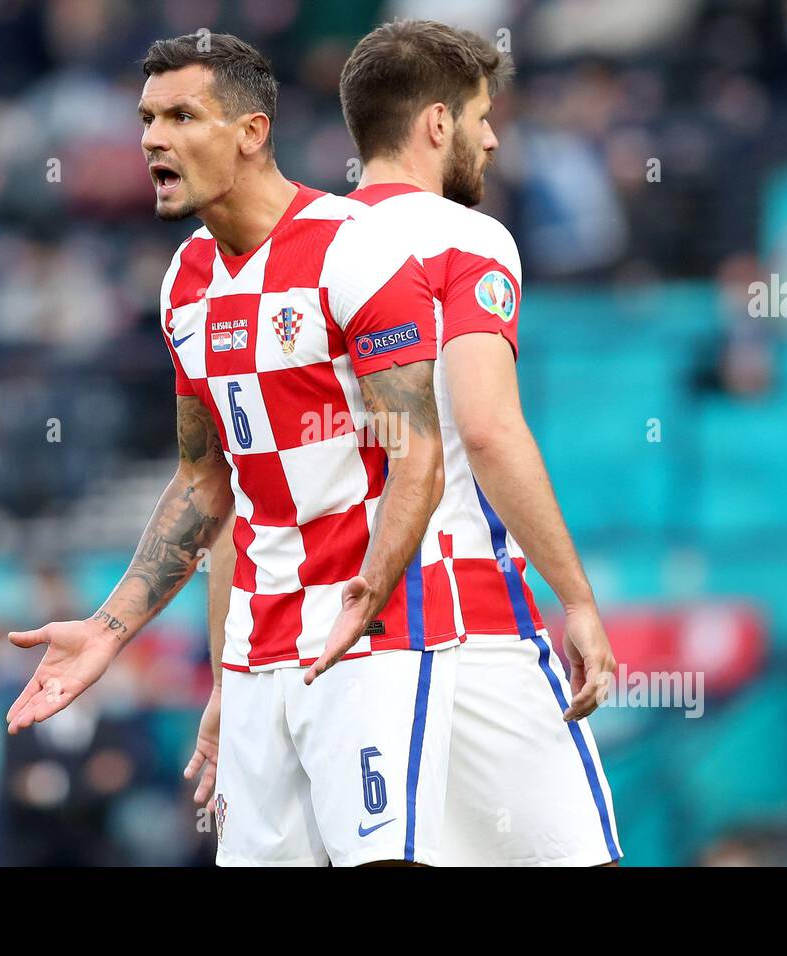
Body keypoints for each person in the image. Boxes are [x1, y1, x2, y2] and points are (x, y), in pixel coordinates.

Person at [7, 32, 462, 867]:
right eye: (147, 118)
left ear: (251, 132)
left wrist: (369, 594)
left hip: (372, 634)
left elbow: (416, 452)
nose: (152, 138)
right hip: (256, 649)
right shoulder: (185, 280)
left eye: (182, 116)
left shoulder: (352, 247)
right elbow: (204, 479)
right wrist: (111, 630)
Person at [194, 20, 623, 866]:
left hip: (342, 642)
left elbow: (247, 504)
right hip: (473, 619)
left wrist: (231, 680)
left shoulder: (295, 254)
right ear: (436, 124)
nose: (494, 136)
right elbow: (490, 428)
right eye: (481, 116)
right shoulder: (467, 237)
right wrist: (576, 596)